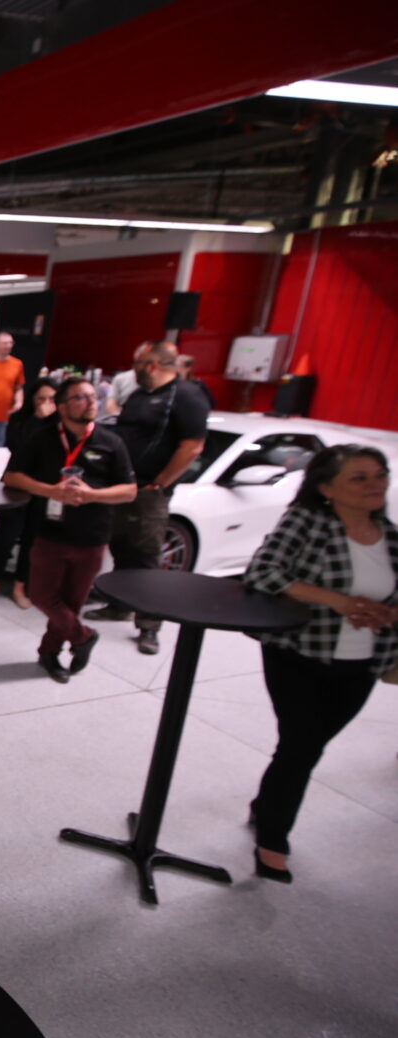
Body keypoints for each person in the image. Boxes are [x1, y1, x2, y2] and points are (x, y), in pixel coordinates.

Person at [241, 445, 398, 884]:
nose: (375, 485)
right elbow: (264, 573)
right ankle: (273, 838)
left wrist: (384, 613)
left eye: (380, 474)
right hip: (298, 654)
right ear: (327, 489)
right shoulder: (307, 522)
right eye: (360, 478)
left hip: (363, 662)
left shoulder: (392, 535)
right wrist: (343, 602)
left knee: (301, 748)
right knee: (302, 744)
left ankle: (266, 805)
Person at [2, 378, 137, 683]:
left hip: (92, 538)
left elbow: (129, 491)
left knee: (71, 604)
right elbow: (12, 477)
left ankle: (49, 653)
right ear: (62, 406)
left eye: (93, 396)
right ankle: (84, 636)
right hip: (49, 533)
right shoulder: (42, 438)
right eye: (80, 397)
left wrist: (91, 495)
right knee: (42, 596)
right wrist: (50, 490)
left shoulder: (110, 442)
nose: (91, 402)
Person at [85, 341, 209, 655]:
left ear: (151, 364)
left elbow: (193, 446)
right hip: (124, 485)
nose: (133, 369)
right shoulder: (140, 396)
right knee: (120, 546)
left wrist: (161, 483)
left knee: (145, 556)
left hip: (150, 492)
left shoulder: (186, 396)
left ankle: (149, 625)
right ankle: (119, 605)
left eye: (137, 363)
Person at [0, 379, 58, 608]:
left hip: (43, 488)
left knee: (31, 540)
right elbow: (17, 448)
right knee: (5, 537)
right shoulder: (21, 419)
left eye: (51, 399)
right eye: (41, 398)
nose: (46, 403)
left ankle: (20, 586)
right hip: (17, 485)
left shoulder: (59, 425)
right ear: (33, 398)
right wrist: (37, 420)